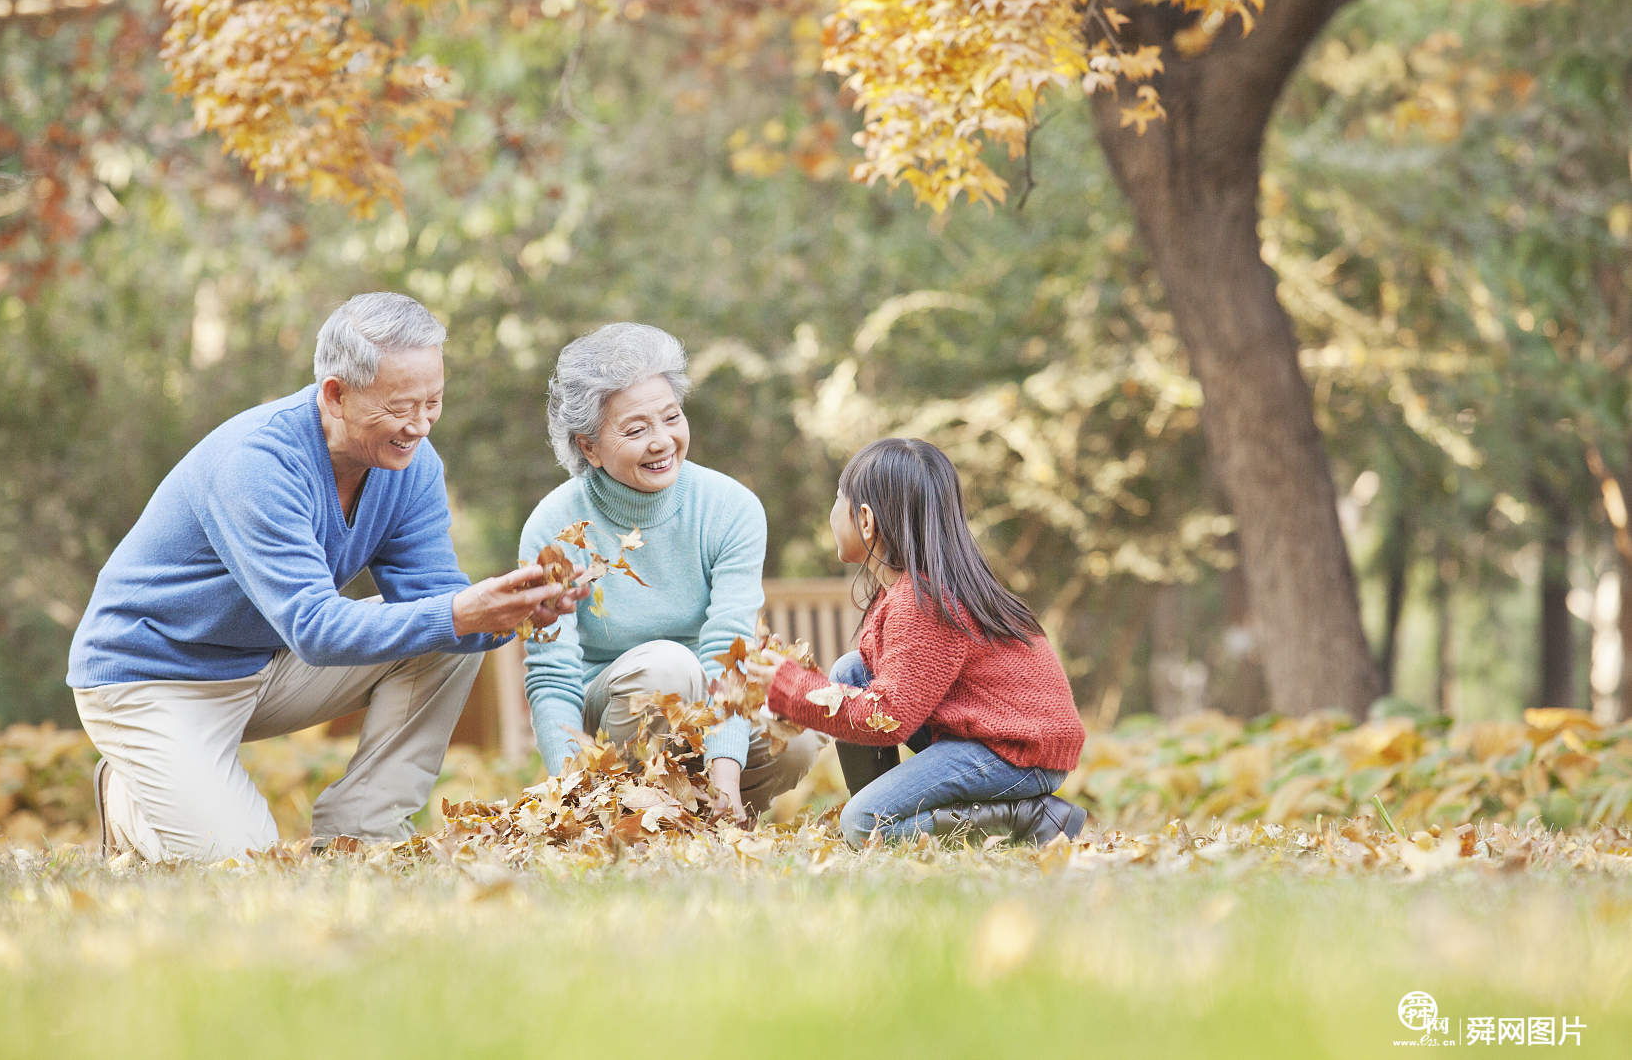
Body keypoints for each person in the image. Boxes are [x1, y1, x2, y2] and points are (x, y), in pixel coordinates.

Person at [68, 292, 585, 861]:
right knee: (246, 868)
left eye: (433, 401)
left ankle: (362, 832)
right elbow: (314, 628)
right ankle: (129, 798)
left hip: (264, 664)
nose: (419, 425)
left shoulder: (410, 466)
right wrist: (462, 611)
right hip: (152, 679)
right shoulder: (257, 463)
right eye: (400, 407)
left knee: (449, 637)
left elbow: (437, 604)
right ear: (336, 395)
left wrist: (510, 611)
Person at [519, 322, 823, 821]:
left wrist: (726, 779)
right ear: (589, 447)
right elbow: (553, 674)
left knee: (795, 738)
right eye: (636, 430)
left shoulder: (731, 508)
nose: (662, 441)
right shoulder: (555, 527)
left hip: (706, 704)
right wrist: (568, 794)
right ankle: (616, 813)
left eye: (671, 418)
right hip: (609, 718)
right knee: (668, 666)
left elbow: (729, 650)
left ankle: (703, 819)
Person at [746, 437, 1088, 847]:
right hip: (984, 733)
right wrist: (793, 680)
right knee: (851, 672)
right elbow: (879, 693)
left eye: (839, 499)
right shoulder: (913, 589)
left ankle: (1026, 817)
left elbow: (889, 715)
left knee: (861, 824)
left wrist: (793, 686)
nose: (832, 512)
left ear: (866, 520)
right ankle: (881, 821)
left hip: (1017, 752)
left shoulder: (923, 603)